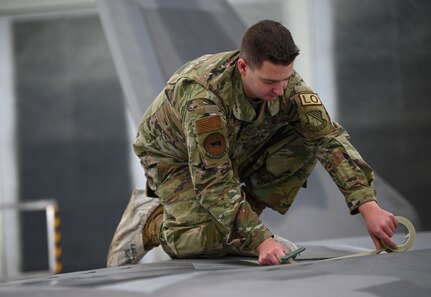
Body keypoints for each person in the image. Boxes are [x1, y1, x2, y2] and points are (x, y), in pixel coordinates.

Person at [106, 20, 398, 267]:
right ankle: (150, 223)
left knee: (306, 139)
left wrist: (368, 206)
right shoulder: (203, 98)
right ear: (244, 67)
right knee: (203, 241)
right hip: (174, 159)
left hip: (233, 147)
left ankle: (242, 229)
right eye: (271, 82)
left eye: (286, 78)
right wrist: (260, 240)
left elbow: (328, 139)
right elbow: (213, 182)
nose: (281, 89)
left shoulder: (285, 83)